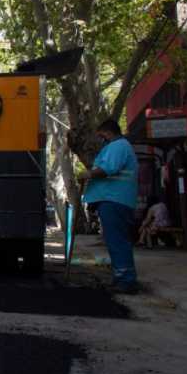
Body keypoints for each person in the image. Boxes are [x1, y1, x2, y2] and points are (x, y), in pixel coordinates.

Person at [79, 119, 139, 294]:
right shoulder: (118, 146)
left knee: (117, 240)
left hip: (115, 200)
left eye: (101, 135)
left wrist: (88, 174)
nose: (100, 139)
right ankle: (121, 277)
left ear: (107, 133)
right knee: (115, 240)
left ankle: (126, 281)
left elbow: (108, 169)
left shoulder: (118, 146)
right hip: (114, 199)